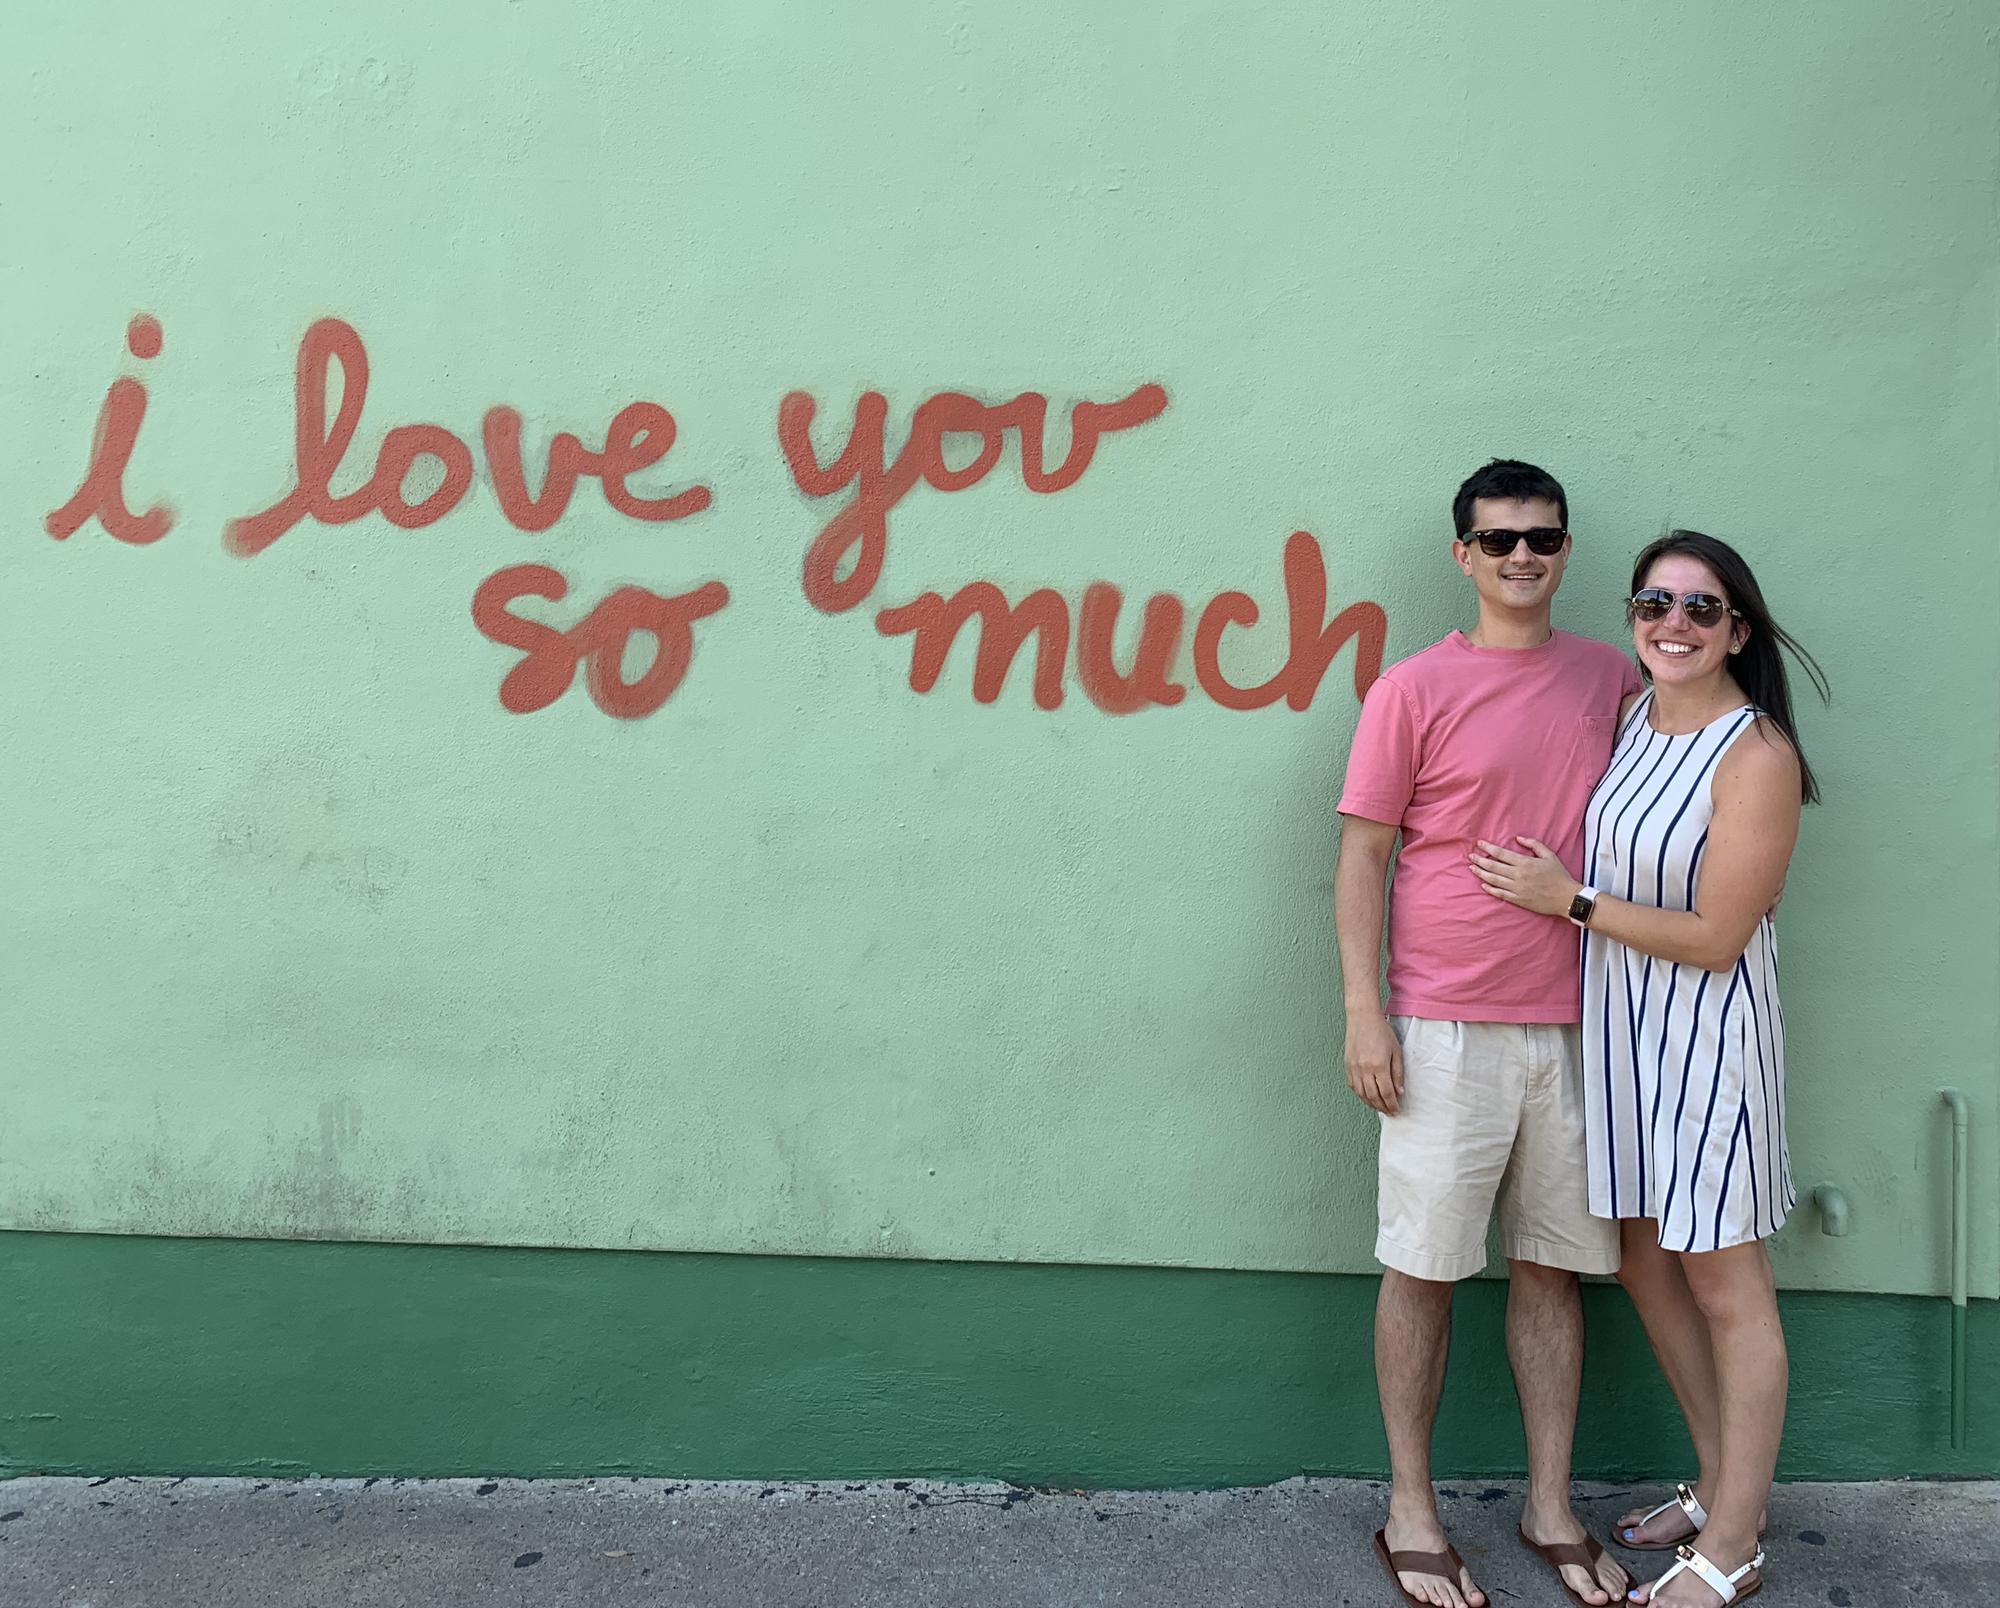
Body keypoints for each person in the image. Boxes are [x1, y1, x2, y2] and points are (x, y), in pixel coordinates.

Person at [1469, 531, 1825, 1607]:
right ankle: (1727, 1488)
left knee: (1726, 1286)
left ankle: (1730, 1550)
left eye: (1699, 608)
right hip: (1620, 1040)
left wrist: (1565, 901)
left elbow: (1717, 935)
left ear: (1737, 631)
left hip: (1706, 1045)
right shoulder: (1628, 720)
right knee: (1639, 1261)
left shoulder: (1753, 753)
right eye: (1652, 603)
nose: (1671, 623)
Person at [1337, 459, 1641, 1608]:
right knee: (1420, 1269)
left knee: (1552, 1270)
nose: (1523, 556)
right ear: (1461, 555)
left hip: (1579, 1022)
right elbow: (1362, 855)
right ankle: (1409, 1507)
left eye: (1543, 538)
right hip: (1442, 1024)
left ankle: (1548, 1503)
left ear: (1565, 553)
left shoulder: (1612, 678)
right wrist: (1366, 1014)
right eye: (1499, 539)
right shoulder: (1410, 689)